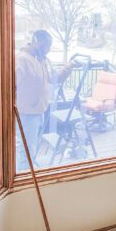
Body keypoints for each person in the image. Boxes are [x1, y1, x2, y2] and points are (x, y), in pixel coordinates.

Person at [15, 30, 74, 171]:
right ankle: (24, 181)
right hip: (26, 114)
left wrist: (69, 67)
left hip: (39, 111)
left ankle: (28, 173)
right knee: (27, 153)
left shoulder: (44, 61)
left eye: (49, 46)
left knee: (32, 149)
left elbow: (55, 79)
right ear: (36, 42)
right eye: (46, 45)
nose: (48, 49)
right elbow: (10, 85)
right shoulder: (22, 59)